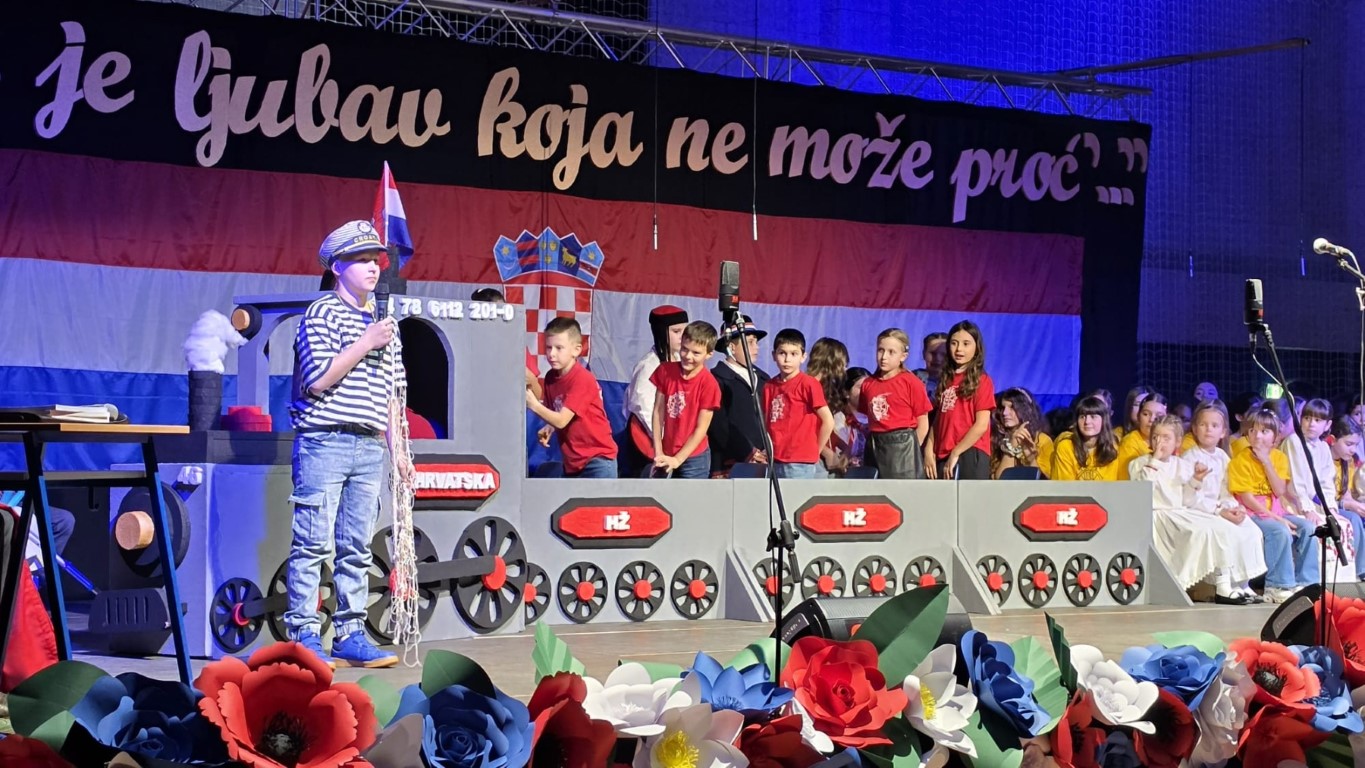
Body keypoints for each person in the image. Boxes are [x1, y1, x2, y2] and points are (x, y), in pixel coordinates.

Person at [286, 220, 410, 669]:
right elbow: (318, 380)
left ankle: (350, 633)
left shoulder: (382, 323)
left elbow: (393, 393)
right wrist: (365, 342)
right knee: (312, 543)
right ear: (337, 267)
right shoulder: (322, 313)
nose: (374, 267)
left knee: (356, 545)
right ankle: (304, 633)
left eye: (376, 259)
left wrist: (399, 452)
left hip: (369, 444)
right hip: (326, 441)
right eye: (361, 260)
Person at [1130, 415, 1264, 604]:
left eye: (1166, 438)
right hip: (1159, 515)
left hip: (1181, 512)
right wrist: (1156, 460)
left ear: (1177, 442)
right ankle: (1222, 586)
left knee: (1223, 527)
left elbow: (1188, 499)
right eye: (1155, 437)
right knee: (1208, 530)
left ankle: (1236, 583)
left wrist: (1196, 480)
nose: (1160, 442)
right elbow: (1142, 492)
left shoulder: (1182, 465)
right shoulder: (1139, 464)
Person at [1227, 408, 1318, 603]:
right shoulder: (1240, 460)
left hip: (1276, 510)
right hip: (1253, 513)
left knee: (1309, 528)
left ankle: (1307, 583)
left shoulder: (1279, 458)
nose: (1258, 436)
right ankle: (1277, 586)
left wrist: (1266, 462)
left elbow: (1279, 490)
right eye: (1253, 430)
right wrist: (1277, 519)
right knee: (1279, 530)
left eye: (1264, 431)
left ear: (1275, 437)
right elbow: (1247, 499)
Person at [1181, 400, 1266, 601]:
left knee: (1251, 530)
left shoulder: (1223, 457)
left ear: (1223, 432)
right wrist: (1219, 510)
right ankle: (1223, 584)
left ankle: (1243, 583)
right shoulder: (1189, 457)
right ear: (1195, 428)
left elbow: (1226, 490)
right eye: (1203, 424)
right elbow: (1190, 497)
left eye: (1214, 425)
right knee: (1224, 531)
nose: (1208, 429)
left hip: (1221, 508)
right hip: (1199, 511)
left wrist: (1234, 508)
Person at [526, 318, 618, 478]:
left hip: (597, 461)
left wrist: (534, 405)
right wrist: (550, 426)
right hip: (572, 463)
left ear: (576, 350)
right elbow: (558, 413)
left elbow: (562, 420)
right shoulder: (550, 377)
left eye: (559, 348)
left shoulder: (582, 378)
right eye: (548, 347)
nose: (551, 354)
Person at [1282, 399, 1360, 574]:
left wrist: (1330, 510)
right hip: (1292, 502)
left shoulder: (1323, 447)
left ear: (1327, 425)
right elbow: (1296, 480)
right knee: (1316, 526)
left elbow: (1326, 484)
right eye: (1307, 418)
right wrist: (1307, 509)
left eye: (1318, 420)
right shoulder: (1294, 441)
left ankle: (1339, 577)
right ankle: (1311, 576)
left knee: (1342, 523)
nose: (1311, 424)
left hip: (1314, 504)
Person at [852, 329, 932, 479]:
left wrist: (912, 450)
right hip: (875, 445)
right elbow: (868, 417)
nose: (884, 357)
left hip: (903, 447)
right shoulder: (868, 384)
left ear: (903, 356)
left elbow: (923, 423)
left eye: (891, 352)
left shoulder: (911, 382)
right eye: (880, 350)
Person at [650, 321, 722, 478]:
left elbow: (701, 429)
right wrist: (658, 451)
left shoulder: (709, 384)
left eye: (696, 353)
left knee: (690, 494)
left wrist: (678, 459)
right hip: (666, 451)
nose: (688, 356)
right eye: (684, 349)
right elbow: (657, 412)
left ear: (709, 354)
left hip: (695, 457)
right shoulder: (665, 371)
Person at [623, 305, 689, 476]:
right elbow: (642, 406)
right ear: (661, 332)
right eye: (676, 331)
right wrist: (663, 437)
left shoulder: (680, 362)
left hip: (674, 442)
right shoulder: (649, 365)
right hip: (649, 441)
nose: (683, 336)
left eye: (685, 331)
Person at [924, 320, 994, 480]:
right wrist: (929, 448)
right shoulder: (947, 379)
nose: (959, 349)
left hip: (969, 452)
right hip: (943, 454)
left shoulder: (982, 380)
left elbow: (981, 424)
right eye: (954, 343)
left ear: (976, 347)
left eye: (966, 344)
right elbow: (939, 420)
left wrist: (956, 452)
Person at [763, 329, 835, 479]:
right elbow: (767, 421)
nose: (787, 359)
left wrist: (815, 451)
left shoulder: (808, 384)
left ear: (803, 357)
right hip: (775, 459)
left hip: (800, 462)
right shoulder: (769, 386)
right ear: (774, 355)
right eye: (782, 353)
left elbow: (828, 421)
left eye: (794, 354)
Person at [708, 315, 771, 476]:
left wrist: (769, 448)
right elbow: (718, 424)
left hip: (764, 461)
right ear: (731, 347)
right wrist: (747, 451)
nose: (756, 348)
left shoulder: (764, 379)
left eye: (756, 342)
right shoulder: (716, 379)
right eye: (750, 342)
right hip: (730, 463)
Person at [472, 288, 542, 401]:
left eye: (503, 312)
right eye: (496, 314)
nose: (501, 318)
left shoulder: (517, 347)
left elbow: (537, 395)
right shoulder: (470, 347)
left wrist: (532, 380)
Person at [807, 338, 860, 476]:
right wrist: (827, 453)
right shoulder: (807, 387)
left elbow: (825, 429)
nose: (845, 370)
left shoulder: (825, 389)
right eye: (843, 365)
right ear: (831, 363)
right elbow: (804, 431)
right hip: (813, 459)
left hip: (826, 460)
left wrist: (845, 449)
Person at [1050, 395, 1121, 481]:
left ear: (1104, 421)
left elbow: (1111, 484)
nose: (1087, 422)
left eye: (1093, 417)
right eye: (1082, 417)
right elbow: (1064, 486)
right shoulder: (1066, 447)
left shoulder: (1112, 448)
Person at [1330, 416, 1365, 581]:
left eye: (1356, 445)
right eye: (1349, 444)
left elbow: (1345, 493)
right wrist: (1348, 505)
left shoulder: (1348, 462)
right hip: (1325, 507)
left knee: (1358, 514)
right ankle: (1358, 569)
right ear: (1333, 440)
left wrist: (1356, 504)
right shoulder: (1324, 459)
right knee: (1353, 519)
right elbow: (1319, 497)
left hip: (1339, 505)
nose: (1353, 450)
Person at [992, 388, 1052, 478]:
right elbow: (1000, 479)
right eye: (1003, 408)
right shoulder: (994, 438)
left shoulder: (1043, 441)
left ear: (1026, 410)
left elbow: (1045, 483)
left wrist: (1031, 460)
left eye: (1012, 407)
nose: (1004, 413)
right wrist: (1011, 447)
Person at [1115, 392, 1168, 480]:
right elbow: (1125, 480)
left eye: (1159, 416)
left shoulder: (1169, 441)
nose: (1152, 419)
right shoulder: (1130, 443)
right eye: (1146, 414)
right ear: (1138, 416)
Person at [911, 332, 948, 400]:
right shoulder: (910, 379)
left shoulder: (958, 384)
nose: (938, 358)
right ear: (924, 354)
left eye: (943, 354)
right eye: (933, 353)